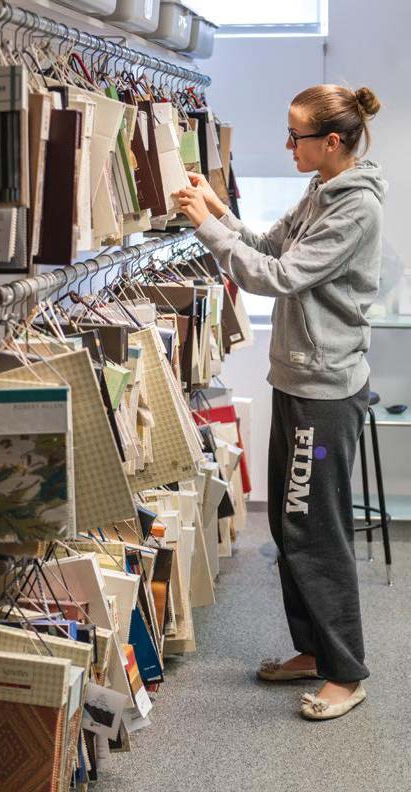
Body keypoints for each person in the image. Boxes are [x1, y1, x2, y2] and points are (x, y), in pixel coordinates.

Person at [174, 83, 387, 721]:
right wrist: (220, 208)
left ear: (331, 141)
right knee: (292, 528)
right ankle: (313, 650)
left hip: (324, 391)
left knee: (317, 531)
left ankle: (346, 673)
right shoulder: (322, 191)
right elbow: (269, 245)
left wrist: (207, 227)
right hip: (298, 380)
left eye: (295, 136)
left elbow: (279, 277)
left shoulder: (356, 208)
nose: (286, 145)